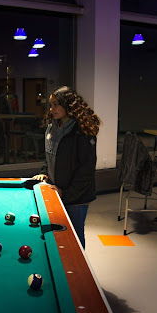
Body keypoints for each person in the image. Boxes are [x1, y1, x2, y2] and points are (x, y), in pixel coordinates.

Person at [32, 86, 101, 248]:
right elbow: (49, 156)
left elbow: (87, 171)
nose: (52, 109)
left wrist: (66, 193)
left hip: (76, 198)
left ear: (69, 105)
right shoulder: (52, 127)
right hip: (56, 192)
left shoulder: (82, 131)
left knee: (74, 239)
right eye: (51, 105)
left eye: (56, 104)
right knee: (58, 238)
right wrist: (44, 173)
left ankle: (79, 273)